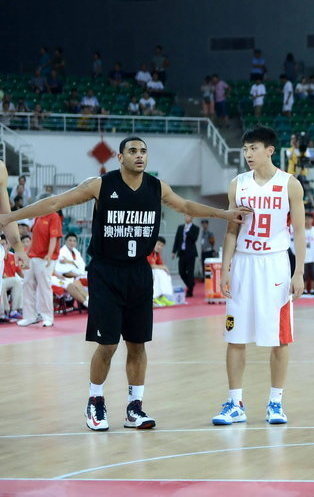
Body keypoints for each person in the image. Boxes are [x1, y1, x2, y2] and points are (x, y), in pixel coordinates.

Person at [0, 137, 249, 432]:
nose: (139, 155)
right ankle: (95, 401)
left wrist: (223, 213)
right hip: (106, 271)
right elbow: (54, 203)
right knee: (107, 344)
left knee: (138, 344)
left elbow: (185, 205)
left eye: (143, 151)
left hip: (138, 271)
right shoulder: (101, 185)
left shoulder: (157, 187)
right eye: (132, 151)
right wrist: (11, 216)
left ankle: (135, 408)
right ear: (120, 157)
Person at [212, 126, 305, 427]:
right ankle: (235, 403)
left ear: (269, 150)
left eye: (253, 148)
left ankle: (275, 402)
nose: (248, 154)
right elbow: (231, 230)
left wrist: (299, 272)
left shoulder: (290, 184)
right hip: (243, 262)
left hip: (275, 263)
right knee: (235, 335)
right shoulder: (237, 184)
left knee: (279, 338)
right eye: (245, 149)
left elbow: (300, 231)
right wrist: (225, 268)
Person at [16, 207, 61, 327]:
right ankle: (29, 317)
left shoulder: (54, 216)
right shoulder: (38, 216)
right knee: (27, 283)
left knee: (44, 287)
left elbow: (53, 237)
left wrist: (50, 255)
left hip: (45, 258)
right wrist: (27, 252)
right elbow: (34, 237)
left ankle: (47, 317)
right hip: (32, 256)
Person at [171, 215, 199, 298]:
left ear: (192, 218)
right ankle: (191, 284)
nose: (186, 217)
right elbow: (177, 240)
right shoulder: (180, 227)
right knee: (181, 272)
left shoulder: (195, 228)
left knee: (190, 273)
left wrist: (187, 231)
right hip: (181, 253)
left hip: (191, 254)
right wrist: (173, 251)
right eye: (185, 216)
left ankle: (190, 291)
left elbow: (194, 239)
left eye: (188, 216)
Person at [148, 237, 175, 307]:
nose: (159, 247)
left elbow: (160, 264)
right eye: (158, 244)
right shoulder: (149, 252)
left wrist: (164, 268)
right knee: (157, 273)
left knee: (165, 273)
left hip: (152, 271)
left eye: (162, 246)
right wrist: (163, 267)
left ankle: (162, 296)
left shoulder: (157, 254)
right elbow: (152, 266)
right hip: (145, 272)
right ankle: (154, 298)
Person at [302, 213, 314, 295]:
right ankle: (304, 289)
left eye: (309, 219)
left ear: (312, 220)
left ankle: (312, 290)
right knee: (304, 274)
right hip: (304, 256)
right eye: (306, 218)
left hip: (313, 255)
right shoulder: (301, 230)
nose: (308, 220)